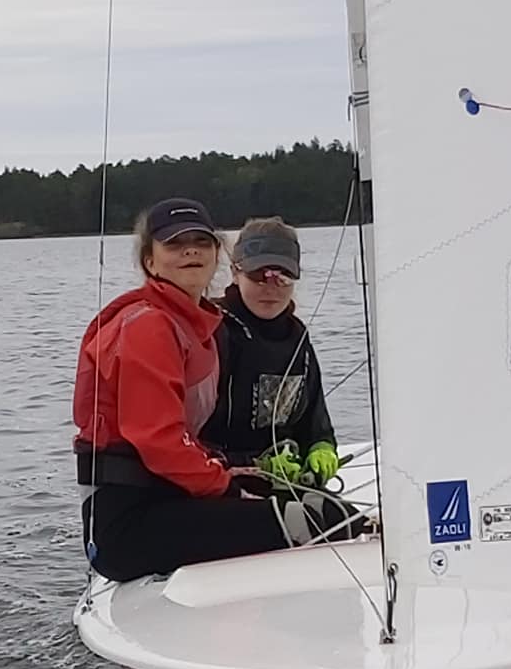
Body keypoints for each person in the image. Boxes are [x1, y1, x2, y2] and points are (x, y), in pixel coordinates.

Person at [72, 198, 330, 583]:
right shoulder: (148, 326)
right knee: (316, 519)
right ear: (150, 262)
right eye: (174, 244)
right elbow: (158, 440)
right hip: (126, 525)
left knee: (312, 509)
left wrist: (242, 472)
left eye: (201, 242)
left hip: (167, 499)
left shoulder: (194, 326)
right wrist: (229, 489)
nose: (190, 250)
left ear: (217, 256)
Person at [200, 217, 341, 485]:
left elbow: (315, 423)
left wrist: (321, 447)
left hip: (286, 478)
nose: (271, 287)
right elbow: (186, 435)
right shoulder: (211, 331)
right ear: (235, 272)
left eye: (283, 276)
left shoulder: (298, 338)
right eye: (258, 275)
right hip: (219, 479)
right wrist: (255, 464)